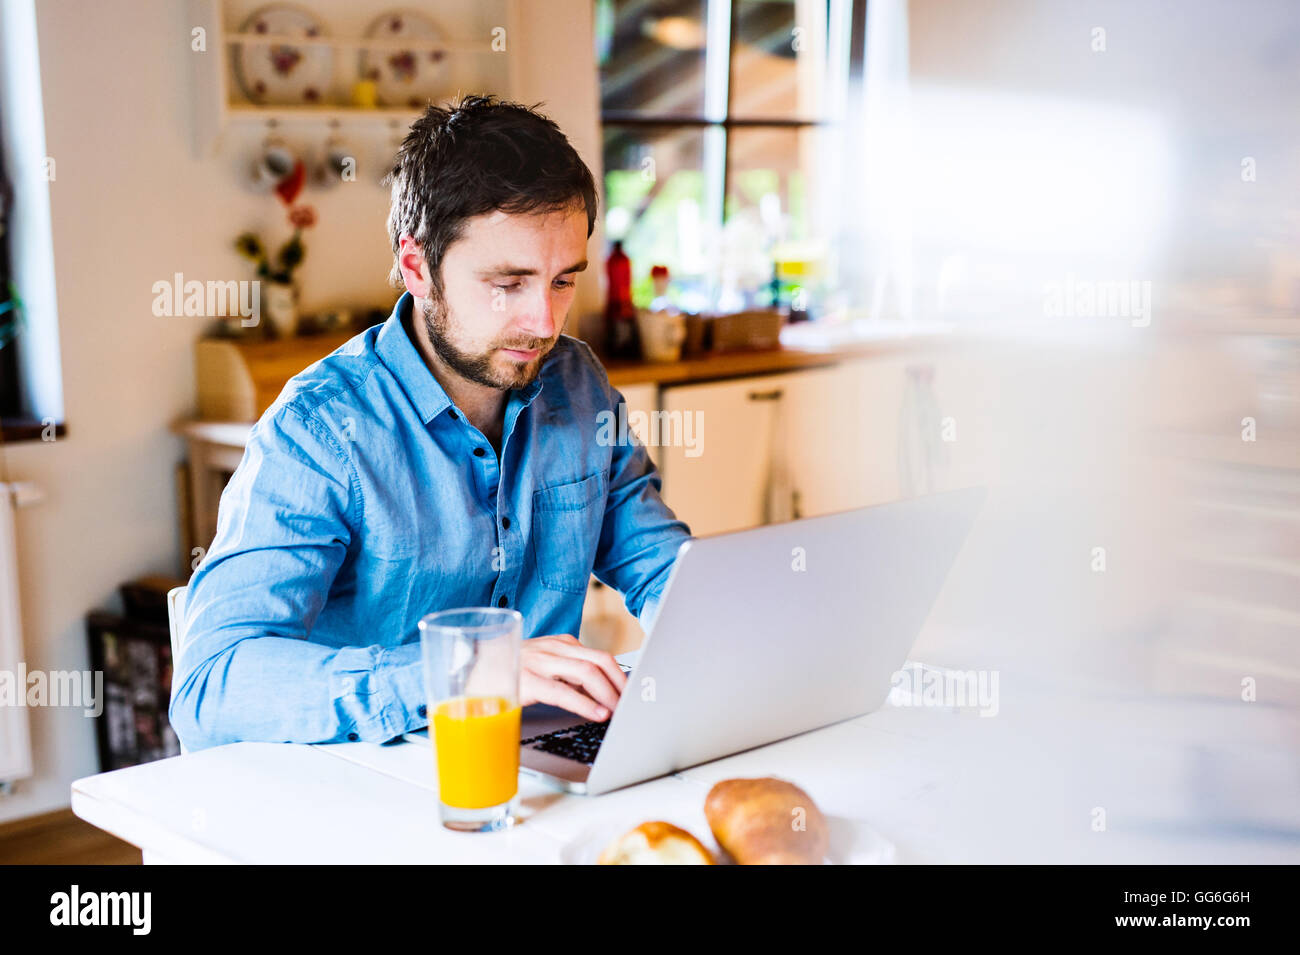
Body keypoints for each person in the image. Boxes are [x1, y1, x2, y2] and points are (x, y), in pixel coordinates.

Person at [170, 94, 692, 750]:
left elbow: (659, 564)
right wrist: (472, 673)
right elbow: (211, 687)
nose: (545, 322)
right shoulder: (318, 431)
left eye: (563, 281)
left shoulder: (576, 386)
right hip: (367, 788)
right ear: (417, 267)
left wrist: (734, 632)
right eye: (509, 283)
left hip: (532, 767)